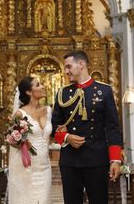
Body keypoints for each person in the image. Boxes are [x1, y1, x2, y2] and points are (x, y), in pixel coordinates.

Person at [52, 50, 122, 204]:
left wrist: (115, 159)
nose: (66, 71)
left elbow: (112, 128)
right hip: (70, 160)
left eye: (69, 67)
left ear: (81, 64)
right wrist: (67, 137)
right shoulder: (63, 93)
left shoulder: (104, 91)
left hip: (96, 158)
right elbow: (55, 126)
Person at [8, 76, 52, 204]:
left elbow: (52, 134)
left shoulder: (48, 111)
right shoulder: (20, 114)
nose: (43, 86)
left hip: (44, 166)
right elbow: (12, 139)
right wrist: (20, 142)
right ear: (28, 92)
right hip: (26, 167)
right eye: (38, 85)